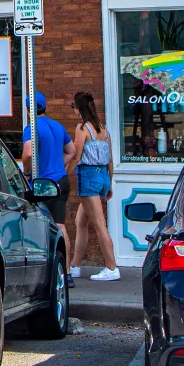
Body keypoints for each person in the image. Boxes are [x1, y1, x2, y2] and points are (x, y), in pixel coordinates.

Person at [67, 91, 120, 283]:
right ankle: (75, 265)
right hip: (103, 176)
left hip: (88, 176)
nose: (73, 111)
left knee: (99, 223)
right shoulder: (103, 129)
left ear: (79, 109)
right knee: (80, 221)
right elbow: (111, 160)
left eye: (73, 107)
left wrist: (64, 173)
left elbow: (77, 156)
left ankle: (111, 266)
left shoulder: (82, 128)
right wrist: (109, 183)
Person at [29, 91, 73, 237]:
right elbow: (71, 151)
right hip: (61, 180)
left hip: (44, 183)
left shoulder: (31, 128)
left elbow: (28, 154)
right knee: (60, 226)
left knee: (37, 226)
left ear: (28, 110)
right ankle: (64, 261)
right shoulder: (58, 126)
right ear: (46, 106)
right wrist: (58, 165)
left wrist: (27, 173)